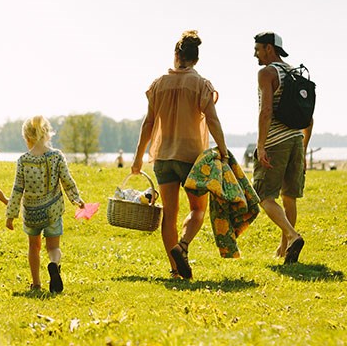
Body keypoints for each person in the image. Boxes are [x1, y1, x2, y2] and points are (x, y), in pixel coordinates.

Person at [131, 30, 228, 280]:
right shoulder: (201, 85)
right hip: (191, 157)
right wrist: (223, 149)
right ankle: (182, 246)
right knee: (197, 211)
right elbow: (214, 122)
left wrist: (138, 157)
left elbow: (148, 124)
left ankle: (175, 271)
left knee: (169, 215)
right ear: (196, 59)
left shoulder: (158, 84)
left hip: (163, 157)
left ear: (176, 55)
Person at [6, 116, 86, 293]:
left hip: (32, 213)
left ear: (27, 138)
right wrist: (76, 199)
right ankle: (53, 264)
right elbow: (66, 180)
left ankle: (36, 284)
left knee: (34, 247)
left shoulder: (23, 160)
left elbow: (17, 189)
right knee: (54, 247)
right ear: (47, 134)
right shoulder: (56, 156)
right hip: (53, 210)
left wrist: (11, 215)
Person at [252, 31, 312, 264]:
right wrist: (304, 148)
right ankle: (285, 248)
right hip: (297, 139)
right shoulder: (295, 73)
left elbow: (266, 110)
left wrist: (261, 144)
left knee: (264, 195)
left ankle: (292, 236)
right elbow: (309, 117)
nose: (255, 53)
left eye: (257, 48)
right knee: (289, 197)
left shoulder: (267, 73)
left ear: (269, 48)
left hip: (276, 142)